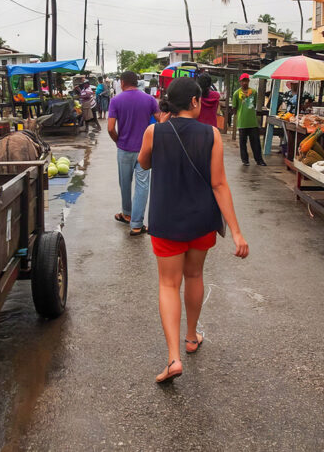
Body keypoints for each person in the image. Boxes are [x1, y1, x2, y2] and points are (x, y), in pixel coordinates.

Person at [138, 77, 249, 384]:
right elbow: (219, 183)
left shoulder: (154, 131)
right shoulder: (211, 134)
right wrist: (237, 233)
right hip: (202, 220)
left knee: (168, 285)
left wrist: (160, 128)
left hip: (166, 220)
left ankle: (174, 358)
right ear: (195, 102)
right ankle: (190, 337)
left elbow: (143, 163)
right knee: (195, 276)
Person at [108, 71, 160, 236]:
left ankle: (126, 214)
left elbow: (110, 128)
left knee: (124, 183)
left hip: (124, 149)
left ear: (122, 83)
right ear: (136, 82)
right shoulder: (150, 99)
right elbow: (161, 121)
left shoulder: (116, 100)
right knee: (142, 186)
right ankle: (137, 225)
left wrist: (118, 140)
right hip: (144, 150)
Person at [232, 73, 266, 166]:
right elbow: (234, 108)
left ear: (248, 81)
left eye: (246, 80)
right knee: (243, 143)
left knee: (255, 142)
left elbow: (254, 104)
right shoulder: (236, 93)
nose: (244, 83)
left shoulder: (254, 92)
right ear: (240, 82)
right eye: (243, 81)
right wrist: (239, 115)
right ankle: (245, 160)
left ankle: (259, 160)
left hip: (252, 122)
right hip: (242, 121)